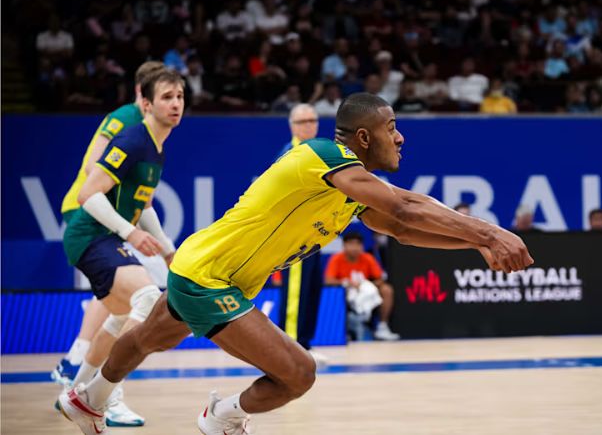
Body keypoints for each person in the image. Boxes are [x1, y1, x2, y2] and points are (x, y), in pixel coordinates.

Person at [58, 93, 533, 435]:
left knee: (146, 337)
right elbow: (406, 207)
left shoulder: (350, 189)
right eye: (392, 128)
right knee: (299, 372)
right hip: (208, 276)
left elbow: (404, 229)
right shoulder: (323, 155)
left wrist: (472, 245)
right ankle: (222, 417)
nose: (401, 137)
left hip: (210, 269)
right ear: (364, 136)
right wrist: (490, 232)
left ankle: (89, 398)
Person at [57, 69, 185, 433]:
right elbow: (88, 194)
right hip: (88, 234)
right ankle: (100, 397)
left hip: (107, 238)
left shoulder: (157, 149)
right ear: (145, 103)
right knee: (146, 297)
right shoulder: (132, 139)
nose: (175, 103)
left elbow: (143, 206)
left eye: (179, 96)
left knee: (119, 316)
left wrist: (167, 249)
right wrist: (129, 232)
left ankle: (75, 391)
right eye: (166, 97)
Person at [271, 103, 330, 367]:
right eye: (303, 121)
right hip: (295, 237)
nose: (309, 125)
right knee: (294, 292)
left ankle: (305, 344)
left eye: (313, 120)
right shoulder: (290, 154)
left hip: (315, 234)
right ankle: (291, 348)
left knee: (311, 288)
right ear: (292, 126)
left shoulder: (317, 151)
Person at [325, 232, 400, 341]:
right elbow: (328, 281)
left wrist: (366, 285)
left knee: (386, 290)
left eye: (357, 244)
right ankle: (344, 330)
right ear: (344, 246)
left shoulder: (367, 258)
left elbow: (380, 278)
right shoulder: (336, 259)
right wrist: (347, 283)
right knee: (337, 293)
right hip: (347, 292)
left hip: (365, 291)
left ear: (362, 246)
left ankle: (382, 326)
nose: (354, 248)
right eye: (351, 244)